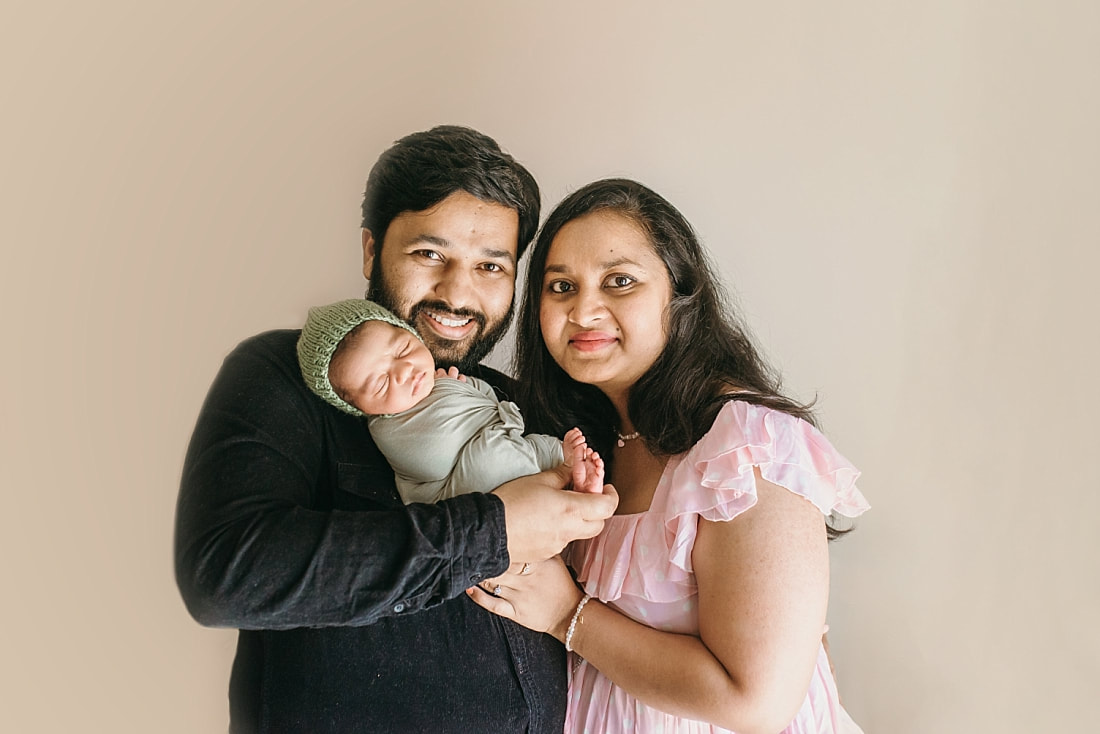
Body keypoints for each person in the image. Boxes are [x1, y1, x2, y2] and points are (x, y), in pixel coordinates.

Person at [174, 126, 618, 734]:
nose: (458, 293)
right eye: (429, 255)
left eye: (492, 265)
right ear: (370, 250)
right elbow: (227, 576)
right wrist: (494, 529)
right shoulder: (283, 375)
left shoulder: (517, 405)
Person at [468, 178, 870, 733]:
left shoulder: (745, 448)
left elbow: (755, 701)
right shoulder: (581, 446)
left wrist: (567, 616)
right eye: (561, 286)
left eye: (619, 281)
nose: (584, 310)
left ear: (680, 294)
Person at [295, 297, 605, 502]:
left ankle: (573, 479)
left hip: (509, 453)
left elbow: (485, 405)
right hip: (472, 489)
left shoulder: (446, 379)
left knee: (542, 445)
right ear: (359, 408)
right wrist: (453, 395)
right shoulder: (391, 432)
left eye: (403, 349)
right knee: (491, 462)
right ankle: (565, 479)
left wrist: (461, 389)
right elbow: (435, 454)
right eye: (380, 383)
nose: (404, 371)